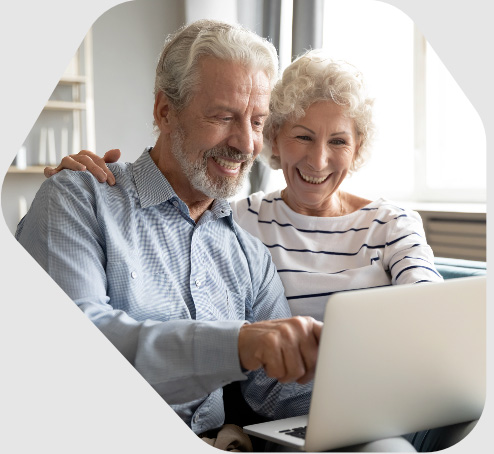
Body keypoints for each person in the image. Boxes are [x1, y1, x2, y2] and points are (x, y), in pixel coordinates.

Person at [50, 50, 479, 452]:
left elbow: (430, 313)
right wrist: (70, 186)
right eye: (223, 116)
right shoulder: (238, 220)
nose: (318, 161)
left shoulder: (243, 243)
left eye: (254, 121)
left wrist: (359, 393)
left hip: (364, 400)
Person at [16, 20, 323, 452]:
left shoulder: (248, 254)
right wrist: (238, 344)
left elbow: (279, 393)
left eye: (257, 121)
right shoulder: (78, 197)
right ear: (164, 111)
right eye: (223, 117)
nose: (245, 143)